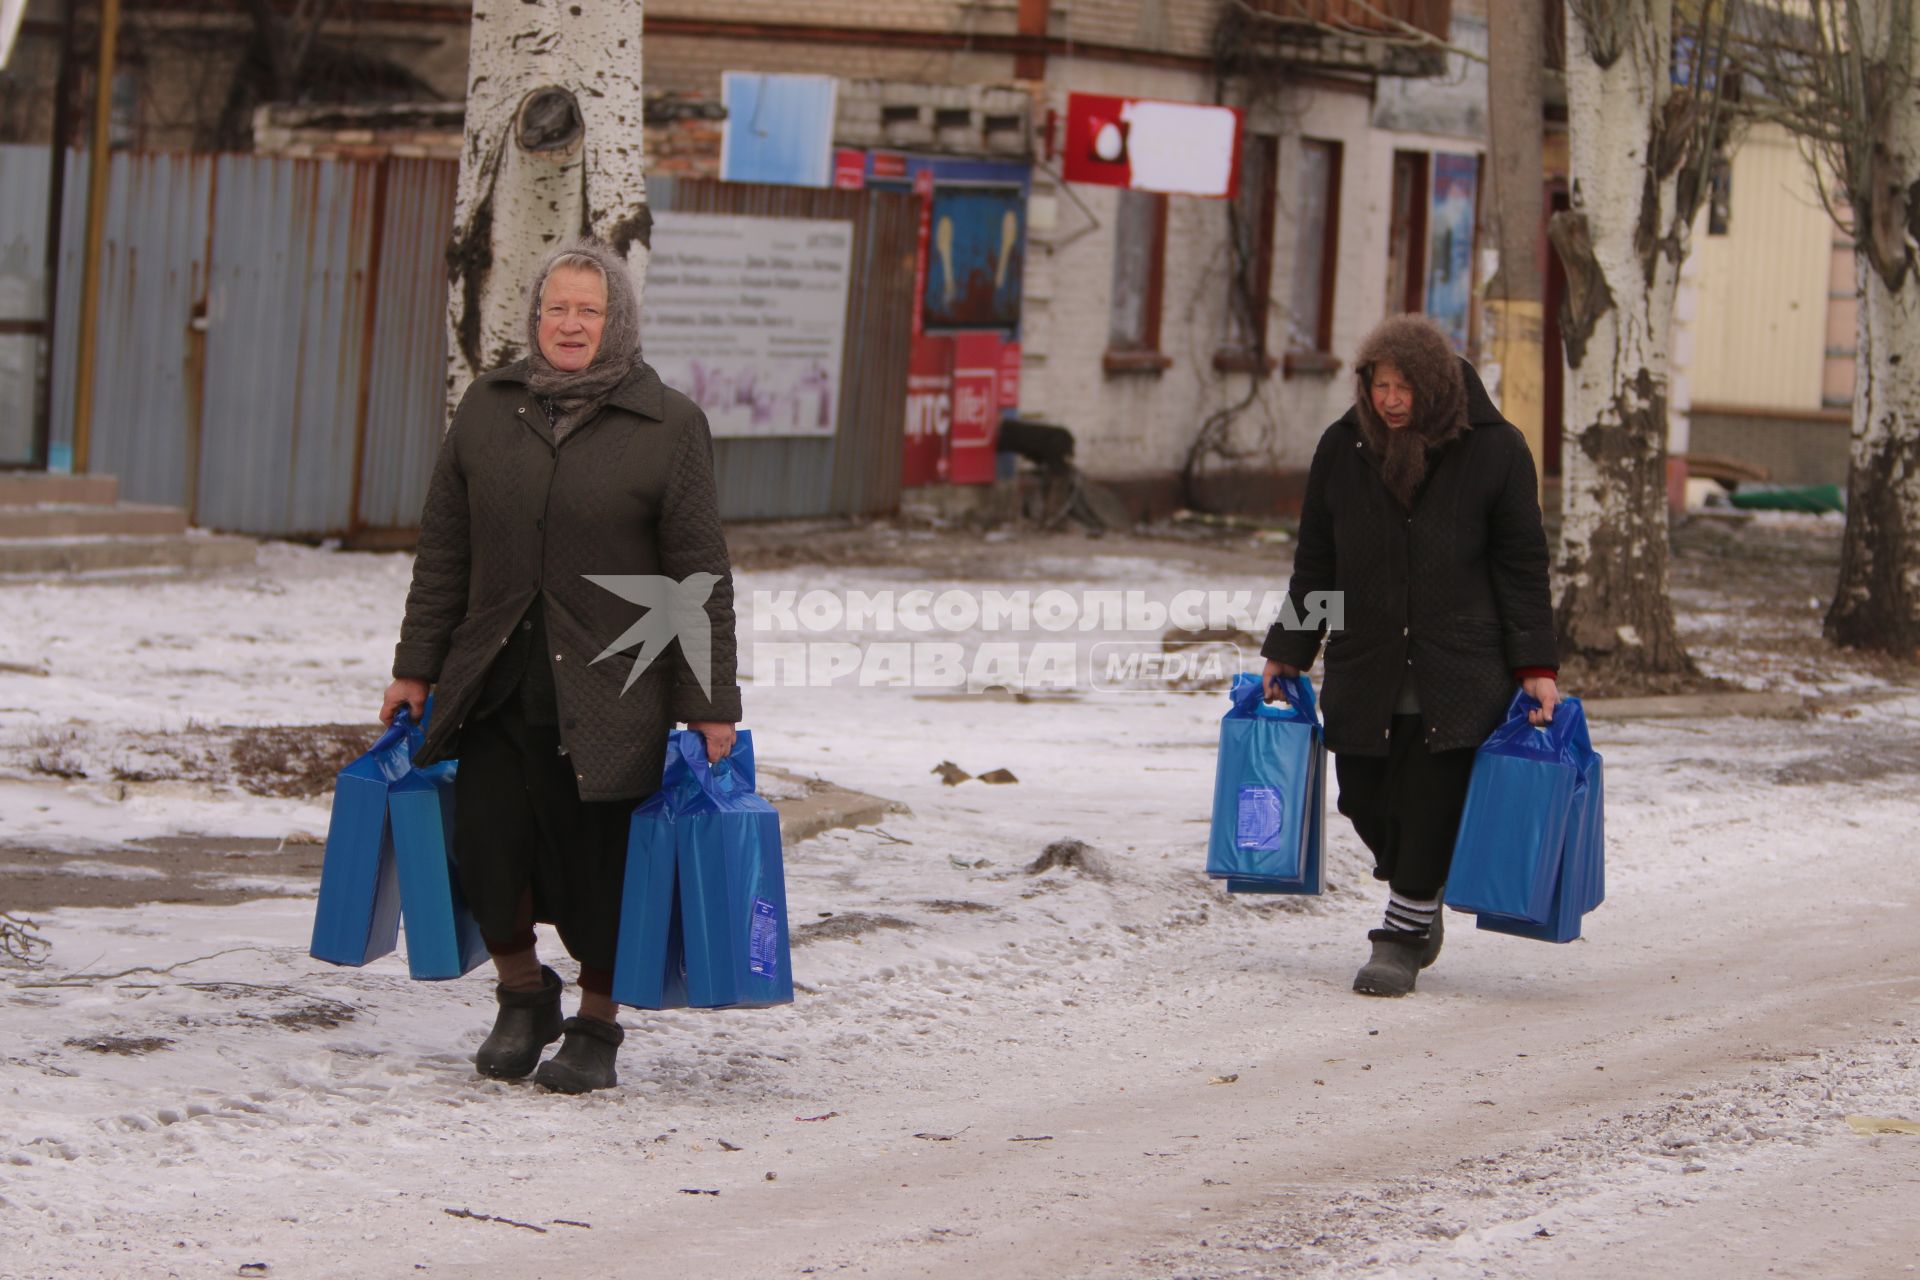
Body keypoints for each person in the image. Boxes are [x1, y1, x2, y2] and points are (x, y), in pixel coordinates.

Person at [382, 239, 741, 1091]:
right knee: (487, 849)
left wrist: (710, 702)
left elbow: (699, 575)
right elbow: (445, 552)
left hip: (617, 686)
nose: (570, 324)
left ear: (616, 321)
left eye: (589, 310)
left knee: (601, 872)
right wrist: (415, 665)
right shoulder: (488, 407)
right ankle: (521, 992)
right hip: (498, 676)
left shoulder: (669, 424)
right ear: (533, 317)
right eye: (556, 308)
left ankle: (597, 1023)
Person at [1259, 314, 1557, 998]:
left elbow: (1522, 567)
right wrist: (1291, 648)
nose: (1390, 400)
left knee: (1427, 795)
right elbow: (1319, 562)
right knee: (1363, 793)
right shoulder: (1344, 447)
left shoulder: (1496, 450)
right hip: (1366, 658)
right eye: (1379, 385)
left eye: (1404, 387)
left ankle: (1402, 931)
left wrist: (1535, 664)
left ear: (1434, 386)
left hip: (1459, 662)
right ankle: (1424, 879)